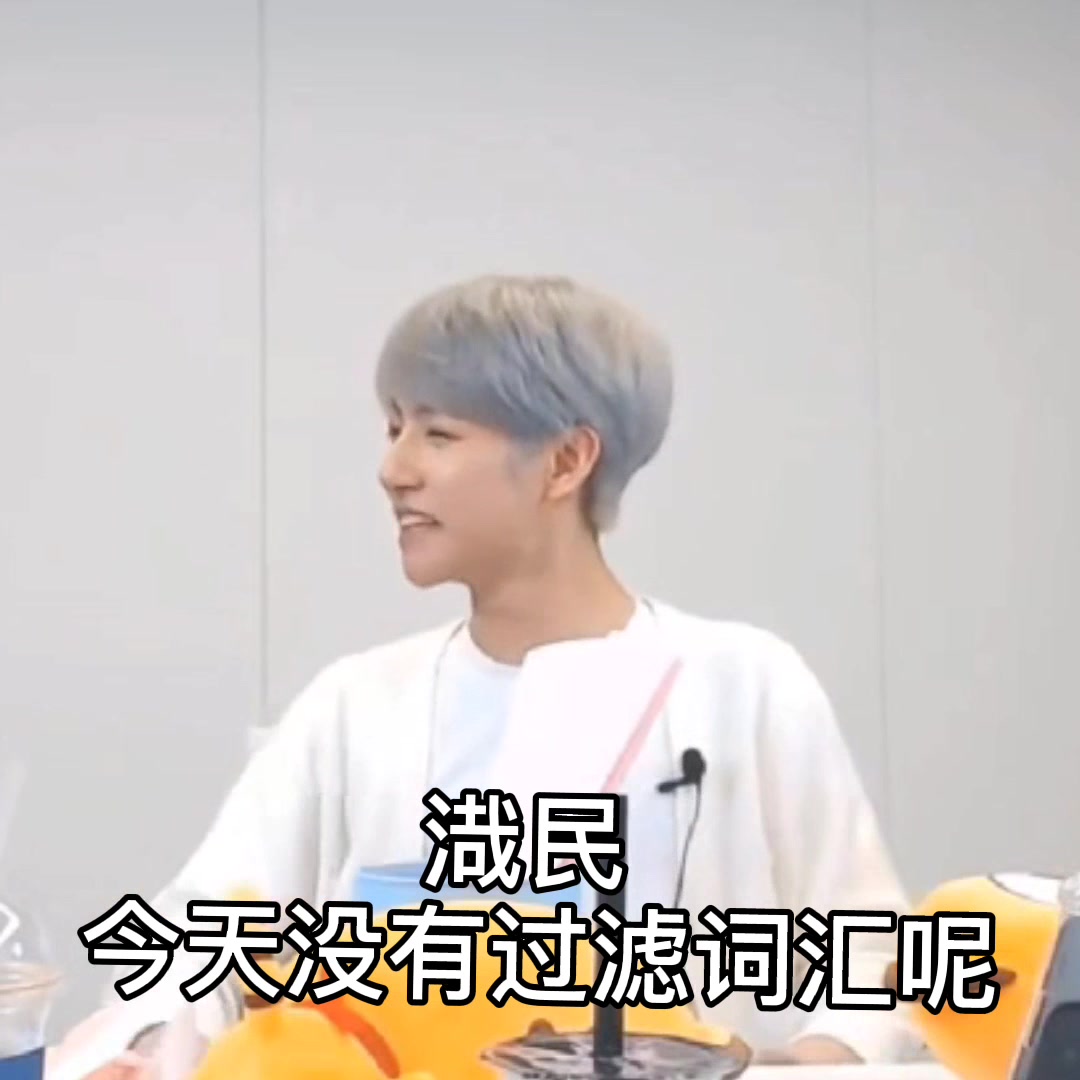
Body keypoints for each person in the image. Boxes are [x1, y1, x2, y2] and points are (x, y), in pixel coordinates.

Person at [63, 275, 920, 1072]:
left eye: (438, 433)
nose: (394, 469)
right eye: (394, 428)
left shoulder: (743, 684)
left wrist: (805, 1063)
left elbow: (874, 960)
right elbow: (196, 941)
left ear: (566, 461)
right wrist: (146, 1047)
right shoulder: (355, 705)